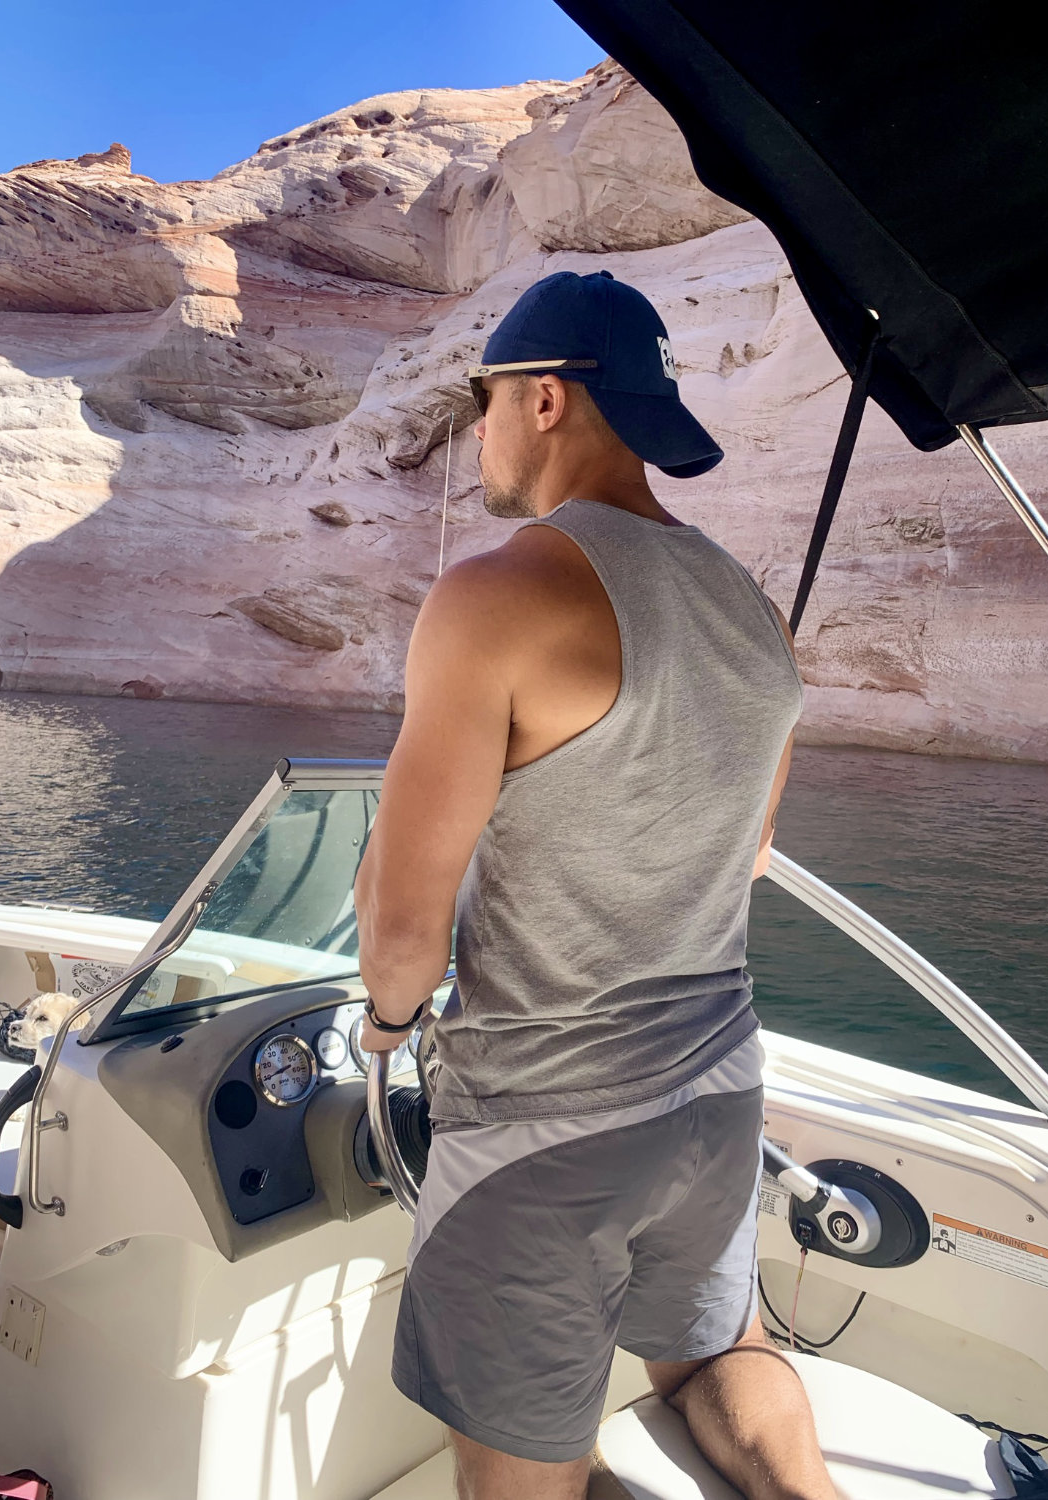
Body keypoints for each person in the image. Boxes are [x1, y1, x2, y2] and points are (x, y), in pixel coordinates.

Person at [354, 270, 835, 1500]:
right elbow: (754, 851)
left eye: (487, 402)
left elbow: (403, 922)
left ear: (546, 399)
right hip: (718, 1092)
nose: (479, 433)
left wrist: (387, 1030)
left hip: (543, 1130)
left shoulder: (496, 594)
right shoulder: (751, 610)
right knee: (716, 1352)